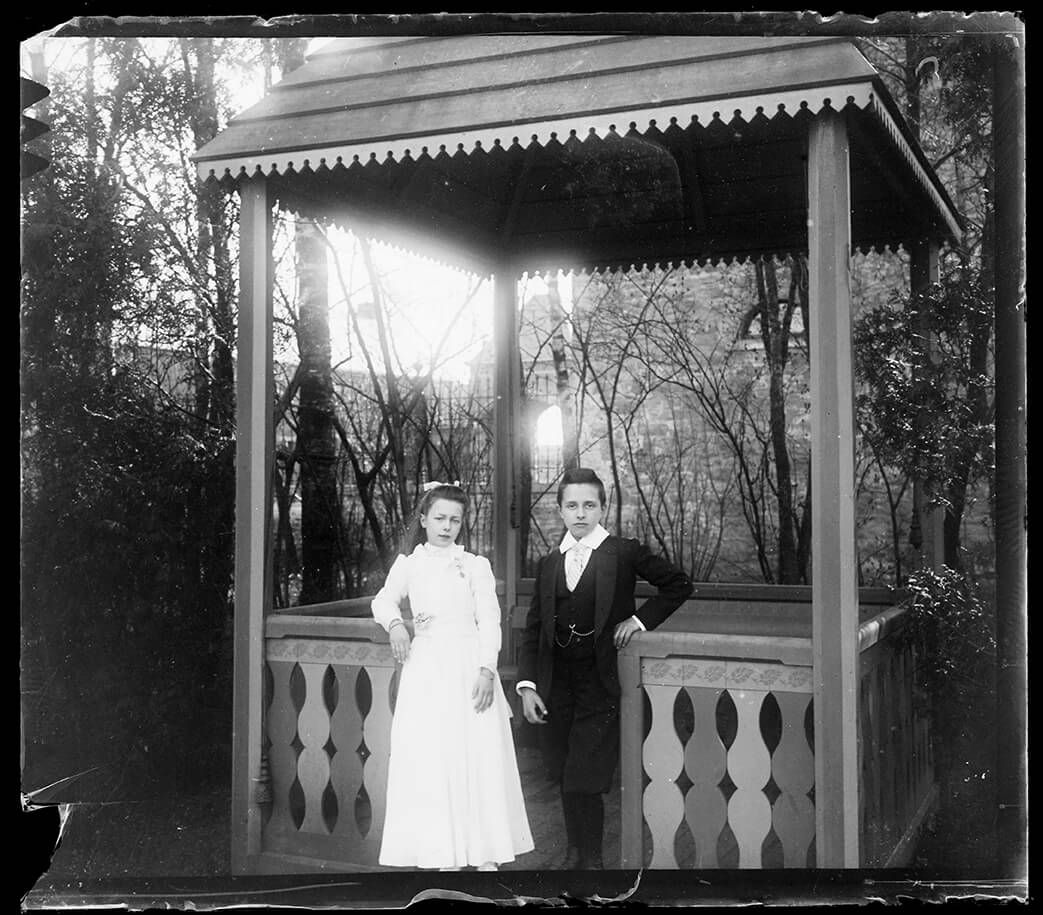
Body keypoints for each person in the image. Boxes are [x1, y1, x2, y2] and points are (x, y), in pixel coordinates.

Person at [516, 467, 693, 869]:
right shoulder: (549, 563)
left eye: (589, 505)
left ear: (602, 508)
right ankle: (573, 854)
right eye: (572, 505)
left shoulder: (623, 552)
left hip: (600, 681)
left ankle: (592, 860)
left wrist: (640, 620)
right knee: (564, 768)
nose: (580, 513)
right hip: (555, 685)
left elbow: (679, 584)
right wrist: (528, 686)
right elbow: (534, 630)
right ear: (560, 510)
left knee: (586, 772)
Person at [371, 481, 534, 871]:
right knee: (434, 756)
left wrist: (486, 669)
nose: (446, 526)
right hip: (427, 668)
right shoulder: (409, 565)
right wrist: (396, 624)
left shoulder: (475, 565)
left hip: (469, 665)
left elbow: (489, 620)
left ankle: (484, 853)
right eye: (439, 518)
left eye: (455, 520)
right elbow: (383, 600)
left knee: (477, 754)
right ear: (424, 519)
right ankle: (444, 853)